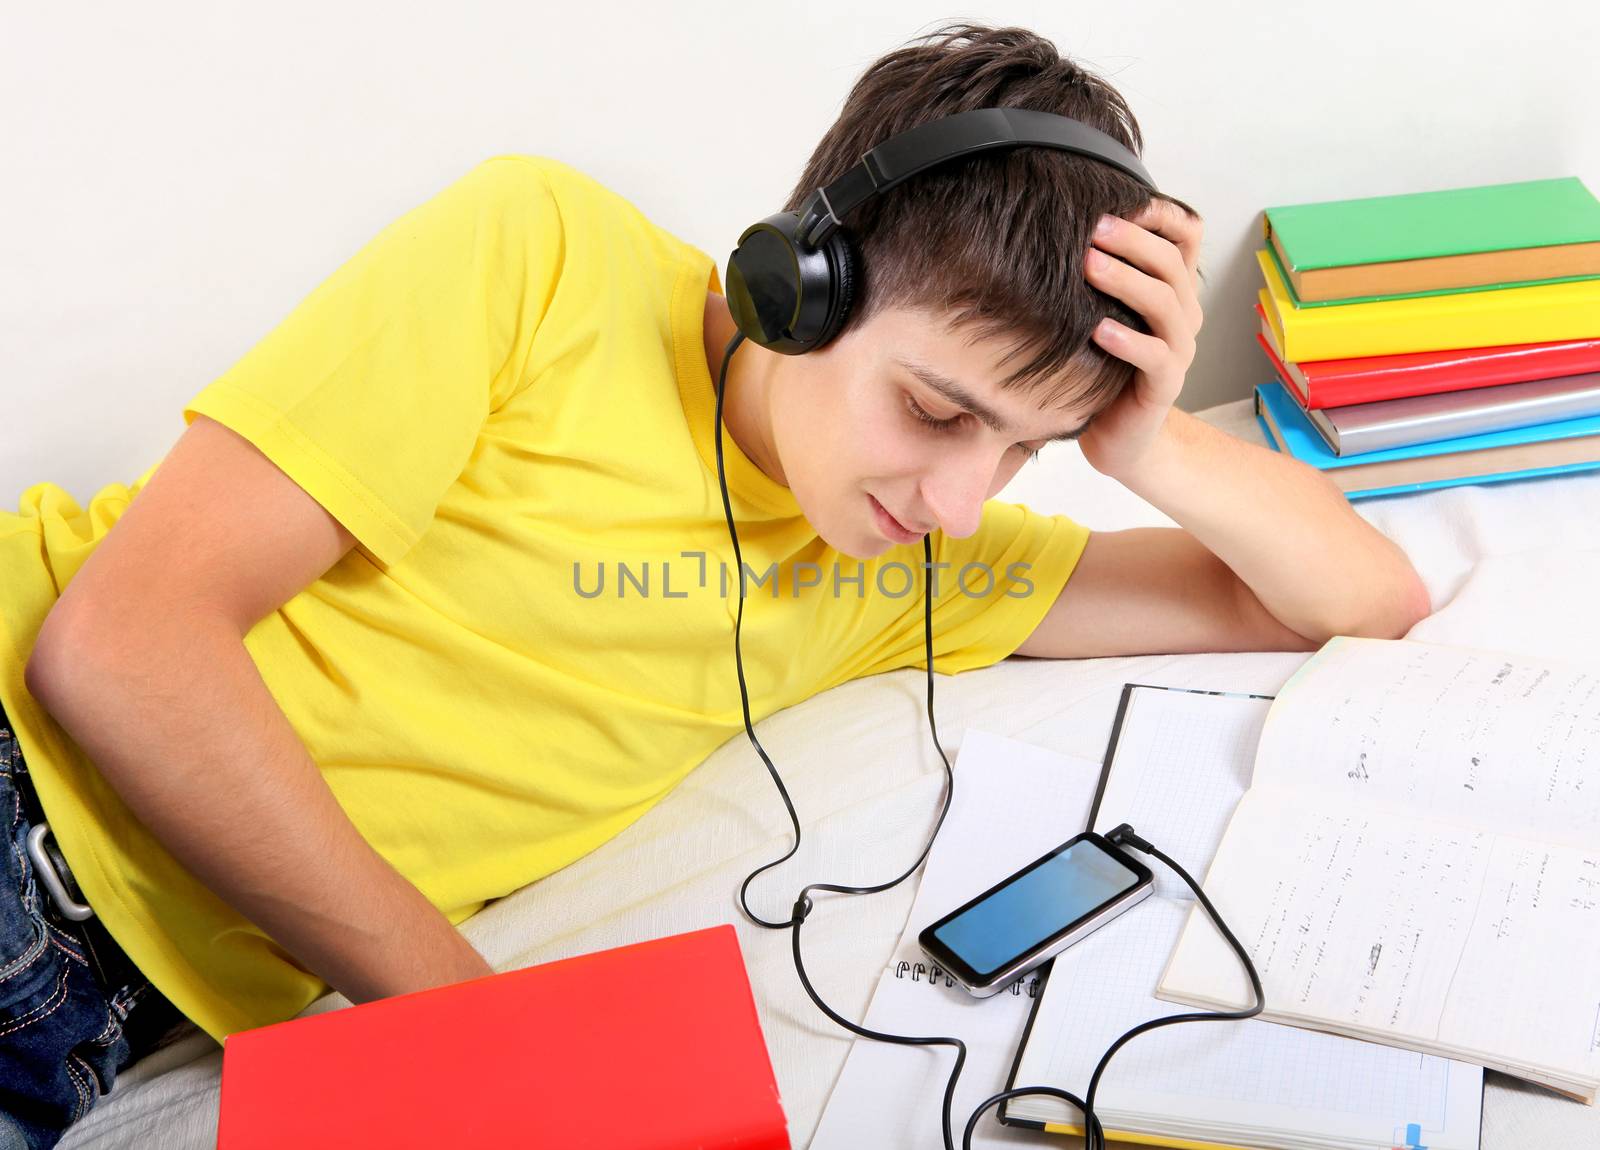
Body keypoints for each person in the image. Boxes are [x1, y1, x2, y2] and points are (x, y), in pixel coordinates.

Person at [0, 22, 1429, 1147]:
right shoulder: (542, 257)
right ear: (795, 281)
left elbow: (1351, 600)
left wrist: (1149, 437)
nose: (956, 499)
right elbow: (121, 646)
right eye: (937, 411)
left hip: (98, 1011)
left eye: (1019, 446)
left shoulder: (898, 553)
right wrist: (493, 1051)